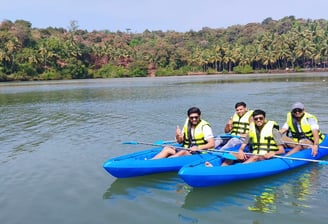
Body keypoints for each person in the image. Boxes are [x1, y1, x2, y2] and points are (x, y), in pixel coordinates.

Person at [213, 109, 285, 166]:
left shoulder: (274, 130)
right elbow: (243, 146)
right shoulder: (252, 131)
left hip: (267, 157)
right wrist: (241, 151)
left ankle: (239, 169)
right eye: (256, 119)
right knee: (232, 154)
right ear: (253, 120)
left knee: (255, 157)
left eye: (261, 118)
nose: (258, 120)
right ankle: (221, 168)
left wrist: (272, 153)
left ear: (264, 119)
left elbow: (282, 150)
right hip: (254, 155)